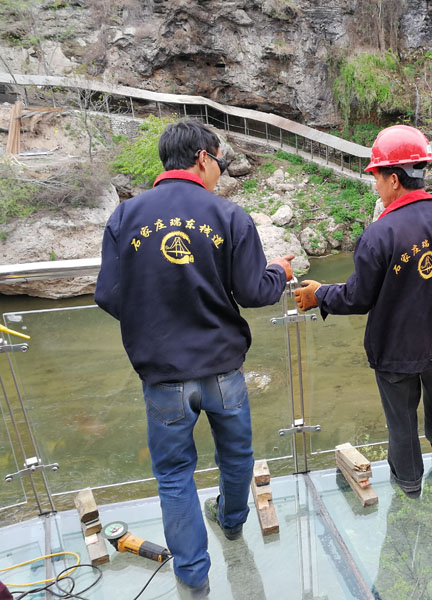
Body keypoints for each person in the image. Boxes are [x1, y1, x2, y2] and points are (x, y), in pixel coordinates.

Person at [95, 120, 293, 596]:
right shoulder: (228, 216)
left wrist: (149, 319)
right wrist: (279, 272)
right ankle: (232, 521)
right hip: (222, 368)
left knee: (173, 475)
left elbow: (108, 294)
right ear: (204, 157)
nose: (220, 170)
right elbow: (254, 291)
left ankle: (192, 575)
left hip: (163, 374)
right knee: (237, 456)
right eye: (219, 161)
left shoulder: (126, 216)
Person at [293, 124, 432, 498]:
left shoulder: (380, 233)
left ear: (394, 178)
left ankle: (409, 486)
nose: (375, 185)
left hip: (395, 351)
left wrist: (320, 294)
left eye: (376, 176)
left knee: (402, 420)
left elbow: (358, 297)